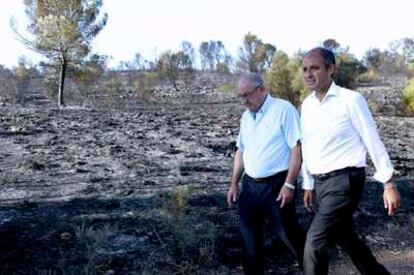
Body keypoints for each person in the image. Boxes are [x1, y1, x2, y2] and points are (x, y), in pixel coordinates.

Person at [300, 47, 401, 275]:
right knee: (348, 240)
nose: (308, 74)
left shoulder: (351, 100)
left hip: (345, 181)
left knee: (314, 245)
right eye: (305, 69)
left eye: (315, 68)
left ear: (331, 68)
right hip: (322, 183)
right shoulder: (306, 106)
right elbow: (308, 145)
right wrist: (307, 183)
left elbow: (372, 140)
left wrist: (389, 183)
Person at [227, 73, 305, 275]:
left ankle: (314, 269)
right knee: (249, 243)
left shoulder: (283, 109)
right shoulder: (246, 117)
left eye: (247, 94)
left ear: (262, 89)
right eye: (240, 96)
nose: (244, 100)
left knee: (289, 235)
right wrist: (234, 184)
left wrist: (289, 184)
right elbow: (241, 151)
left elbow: (297, 148)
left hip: (277, 186)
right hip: (250, 187)